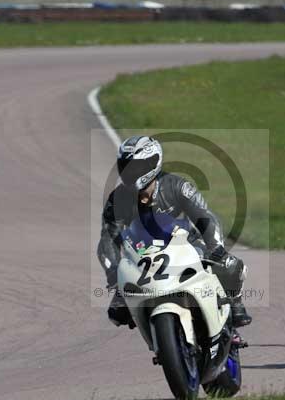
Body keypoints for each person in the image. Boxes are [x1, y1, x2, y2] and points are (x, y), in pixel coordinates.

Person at [97, 135, 252, 329]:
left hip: (186, 245)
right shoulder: (117, 199)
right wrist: (113, 274)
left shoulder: (177, 186)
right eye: (126, 167)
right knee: (118, 311)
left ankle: (234, 304)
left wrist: (216, 248)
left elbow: (205, 217)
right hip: (142, 257)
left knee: (231, 266)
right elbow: (108, 239)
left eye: (136, 167)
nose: (131, 173)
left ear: (153, 162)